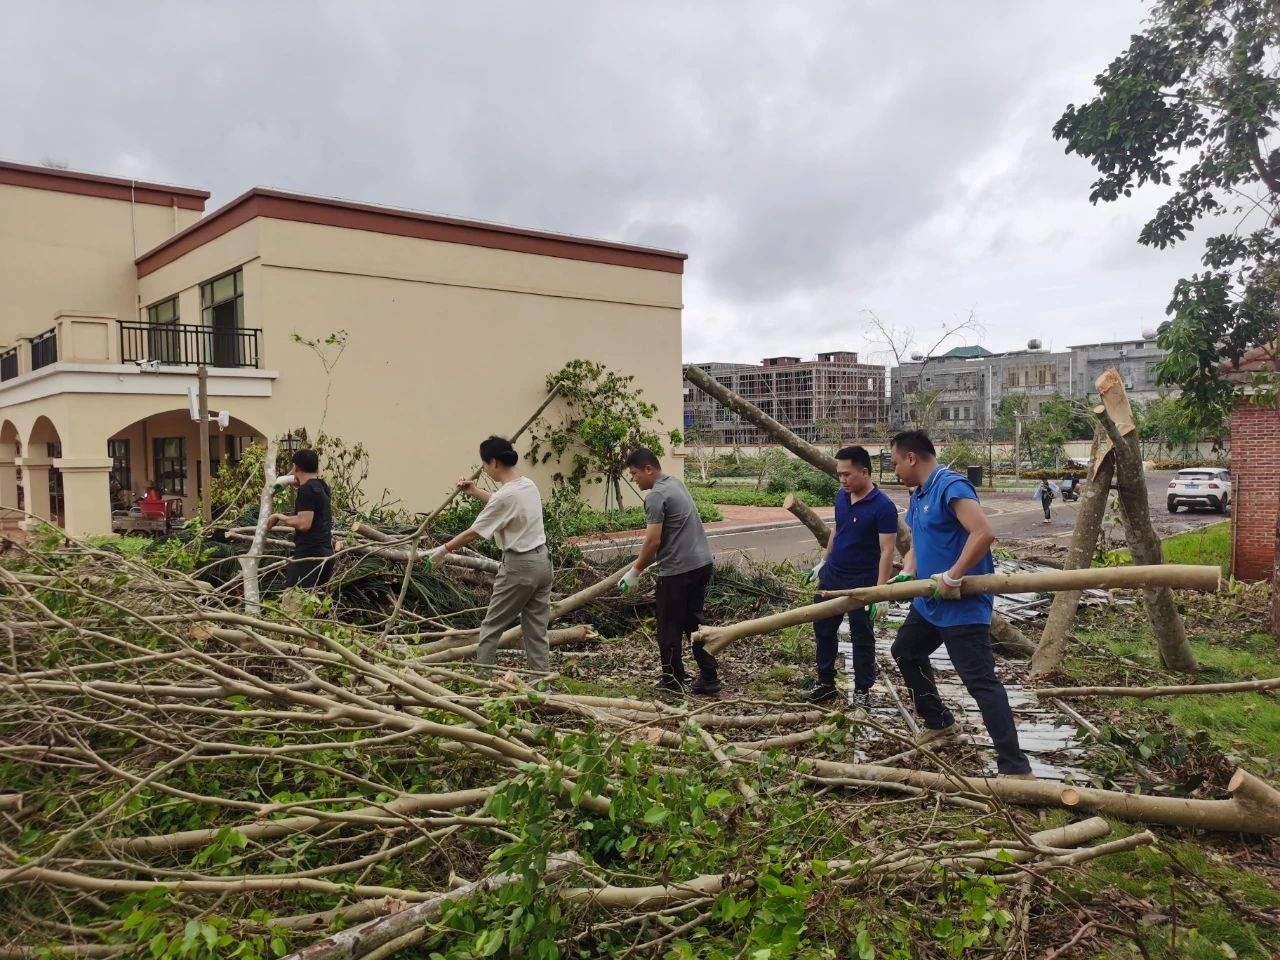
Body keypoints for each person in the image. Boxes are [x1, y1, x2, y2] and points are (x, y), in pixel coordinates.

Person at [888, 430, 1033, 779]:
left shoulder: (950, 486)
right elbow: (920, 542)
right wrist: (908, 571)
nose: (893, 471)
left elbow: (983, 533)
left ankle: (1015, 768)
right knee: (906, 651)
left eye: (894, 463)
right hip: (929, 604)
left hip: (961, 605)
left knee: (981, 683)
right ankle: (939, 722)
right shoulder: (918, 494)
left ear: (911, 458)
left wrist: (953, 575)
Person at [427, 436, 552, 673]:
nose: (484, 469)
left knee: (491, 628)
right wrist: (474, 491)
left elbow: (472, 533)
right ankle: (541, 684)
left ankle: (482, 682)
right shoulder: (527, 485)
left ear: (494, 462)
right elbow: (503, 503)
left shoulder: (506, 496)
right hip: (542, 563)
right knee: (536, 630)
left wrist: (442, 550)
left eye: (484, 464)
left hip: (520, 567)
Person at [802, 445, 898, 708]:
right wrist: (822, 563)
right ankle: (825, 683)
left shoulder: (883, 507)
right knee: (823, 629)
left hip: (862, 582)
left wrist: (881, 591)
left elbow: (887, 549)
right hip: (833, 575)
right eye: (839, 474)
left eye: (847, 474)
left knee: (861, 636)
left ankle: (862, 690)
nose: (842, 480)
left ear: (864, 472)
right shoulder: (841, 497)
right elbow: (837, 529)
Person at [621, 448, 718, 695]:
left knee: (668, 627)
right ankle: (709, 677)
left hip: (677, 571)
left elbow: (652, 542)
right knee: (694, 623)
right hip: (702, 564)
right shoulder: (675, 484)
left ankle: (673, 680)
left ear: (648, 469)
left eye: (634, 474)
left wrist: (635, 571)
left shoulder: (656, 496)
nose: (634, 479)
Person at [266, 449, 334, 590]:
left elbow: (304, 523)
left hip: (308, 557)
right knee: (316, 605)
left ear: (296, 467)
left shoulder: (307, 490)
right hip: (326, 555)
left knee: (293, 602)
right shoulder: (322, 486)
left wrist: (278, 516)